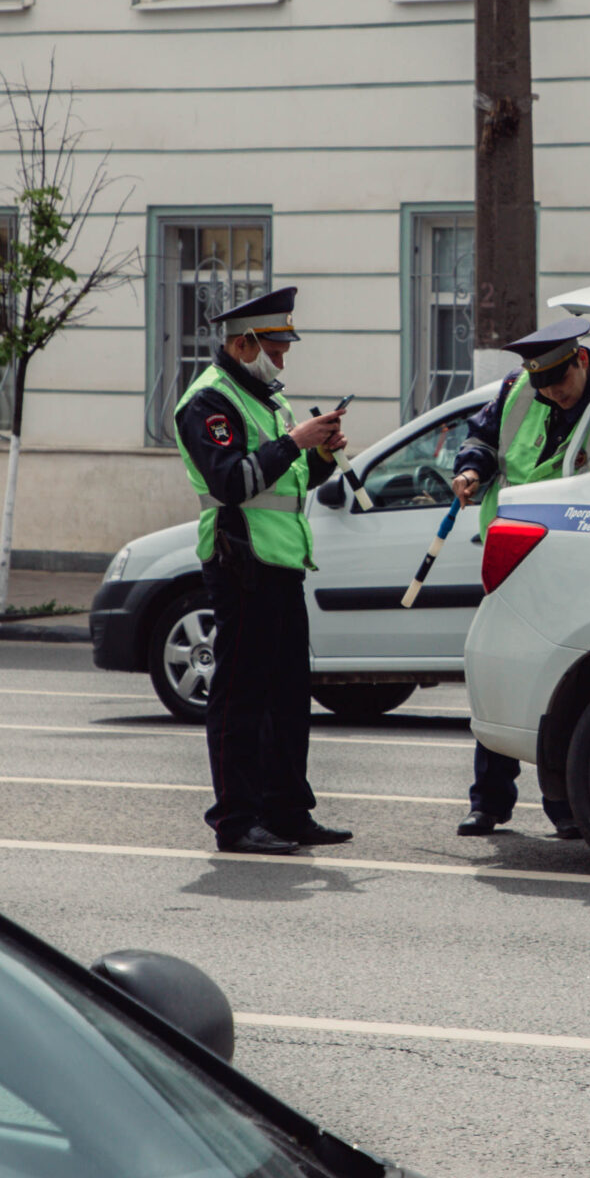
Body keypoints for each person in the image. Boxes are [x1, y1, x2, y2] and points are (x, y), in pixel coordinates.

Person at [172, 286, 355, 856]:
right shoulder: (207, 402)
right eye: (274, 348)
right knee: (241, 697)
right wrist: (296, 442)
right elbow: (232, 482)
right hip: (240, 560)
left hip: (280, 561)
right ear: (243, 343)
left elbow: (289, 481)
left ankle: (287, 811)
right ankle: (235, 820)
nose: (282, 358)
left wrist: (319, 453)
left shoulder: (269, 399)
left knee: (287, 695)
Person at [449, 316, 590, 838]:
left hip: (575, 564)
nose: (552, 395)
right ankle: (489, 802)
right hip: (508, 558)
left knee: (568, 684)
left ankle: (568, 806)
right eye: (542, 385)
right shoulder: (520, 390)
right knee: (502, 672)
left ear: (580, 360)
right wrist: (470, 471)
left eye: (559, 382)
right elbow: (483, 437)